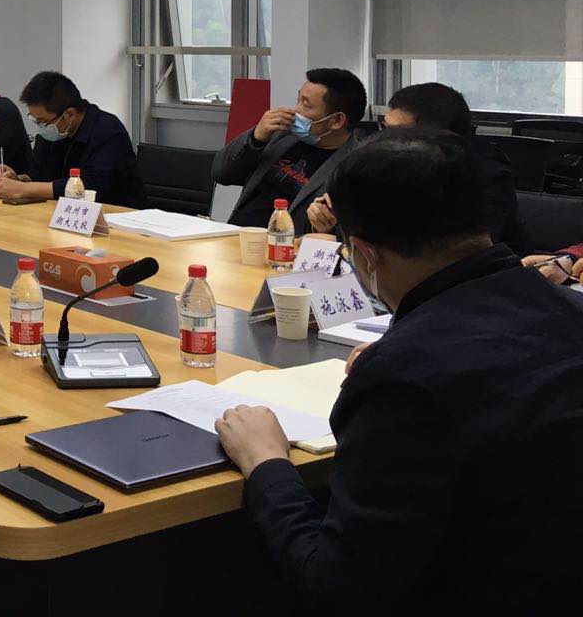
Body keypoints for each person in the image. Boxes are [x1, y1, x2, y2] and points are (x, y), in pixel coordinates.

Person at [213, 131, 583, 612]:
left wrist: (266, 463)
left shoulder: (404, 378)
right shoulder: (566, 309)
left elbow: (335, 587)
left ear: (364, 254)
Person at [307, 82, 529, 250]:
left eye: (397, 132)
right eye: (385, 128)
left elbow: (461, 249)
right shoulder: (391, 161)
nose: (384, 139)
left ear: (436, 135)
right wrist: (334, 220)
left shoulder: (485, 173)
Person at [212, 68, 367, 228]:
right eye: (297, 100)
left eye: (306, 105)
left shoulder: (355, 168)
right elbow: (221, 173)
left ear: (336, 121)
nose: (295, 110)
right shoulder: (281, 134)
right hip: (240, 233)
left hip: (290, 241)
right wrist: (255, 139)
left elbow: (350, 229)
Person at [0, 71, 147, 206]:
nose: (40, 127)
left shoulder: (108, 130)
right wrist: (19, 180)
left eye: (43, 121)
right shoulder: (52, 132)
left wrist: (23, 189)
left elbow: (91, 186)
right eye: (35, 121)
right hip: (61, 214)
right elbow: (37, 174)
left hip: (116, 217)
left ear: (69, 114)